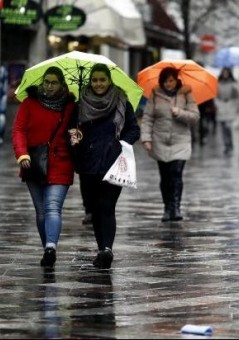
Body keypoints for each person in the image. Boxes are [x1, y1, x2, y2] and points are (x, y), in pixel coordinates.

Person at [67, 63, 140, 270]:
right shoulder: (80, 104)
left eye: (103, 80)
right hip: (88, 164)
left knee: (107, 207)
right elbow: (72, 130)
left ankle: (107, 249)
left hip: (113, 162)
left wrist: (121, 143)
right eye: (95, 80)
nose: (99, 84)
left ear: (109, 80)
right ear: (90, 81)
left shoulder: (121, 102)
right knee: (96, 209)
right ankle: (102, 249)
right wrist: (75, 140)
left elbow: (134, 130)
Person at [12, 66, 76, 268]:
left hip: (61, 162)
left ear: (62, 84)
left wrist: (77, 136)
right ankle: (47, 248)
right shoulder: (29, 103)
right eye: (46, 82)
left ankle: (51, 246)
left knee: (52, 207)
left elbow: (79, 130)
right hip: (33, 163)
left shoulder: (71, 107)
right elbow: (18, 130)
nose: (49, 86)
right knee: (41, 212)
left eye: (54, 82)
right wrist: (22, 153)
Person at [141, 67, 200, 222]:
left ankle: (176, 208)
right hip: (160, 140)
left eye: (172, 80)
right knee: (165, 176)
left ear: (176, 80)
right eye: (166, 80)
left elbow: (195, 117)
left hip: (180, 141)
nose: (169, 83)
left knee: (176, 174)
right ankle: (167, 208)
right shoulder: (155, 94)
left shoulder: (186, 94)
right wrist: (146, 138)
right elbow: (147, 118)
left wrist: (180, 112)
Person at [216, 67, 239, 155]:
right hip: (221, 106)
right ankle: (226, 145)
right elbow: (216, 95)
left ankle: (230, 144)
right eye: (224, 73)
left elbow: (237, 96)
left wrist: (235, 107)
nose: (225, 74)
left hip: (230, 106)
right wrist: (217, 104)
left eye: (227, 73)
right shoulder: (218, 84)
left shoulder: (233, 83)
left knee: (228, 127)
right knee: (223, 128)